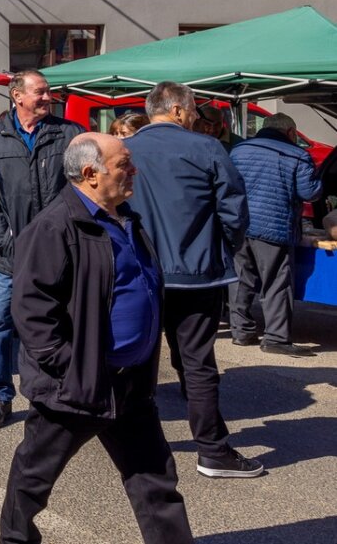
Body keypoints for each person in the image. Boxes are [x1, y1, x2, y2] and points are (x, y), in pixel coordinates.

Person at [1, 133, 192, 544]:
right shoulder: (54, 226)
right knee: (34, 478)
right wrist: (70, 367)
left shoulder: (126, 218)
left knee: (155, 477)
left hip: (132, 382)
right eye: (124, 164)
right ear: (91, 174)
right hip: (78, 383)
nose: (134, 171)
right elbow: (33, 310)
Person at [127, 81, 260, 478]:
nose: (195, 118)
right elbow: (234, 211)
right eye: (194, 112)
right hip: (197, 275)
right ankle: (212, 451)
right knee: (198, 365)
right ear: (180, 111)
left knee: (137, 363)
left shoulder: (126, 149)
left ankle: (137, 447)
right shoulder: (206, 148)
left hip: (141, 274)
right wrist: (225, 246)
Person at [0, 69, 82, 429]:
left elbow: (85, 187)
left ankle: (54, 394)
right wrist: (5, 240)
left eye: (48, 92)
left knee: (59, 325)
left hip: (60, 251)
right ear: (17, 96)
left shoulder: (70, 134)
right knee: (0, 323)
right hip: (10, 255)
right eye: (41, 92)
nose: (48, 97)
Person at [229, 113, 322, 356]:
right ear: (291, 133)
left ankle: (241, 331)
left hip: (239, 224)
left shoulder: (239, 150)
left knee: (241, 278)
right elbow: (309, 192)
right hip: (274, 226)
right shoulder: (297, 154)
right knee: (276, 282)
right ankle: (276, 338)